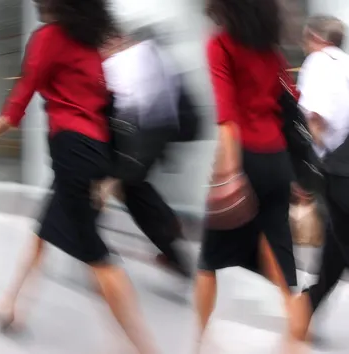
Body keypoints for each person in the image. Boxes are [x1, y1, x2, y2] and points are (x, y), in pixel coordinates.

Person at [0, 0, 156, 352]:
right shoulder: (89, 44)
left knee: (96, 257)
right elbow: (107, 102)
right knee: (43, 231)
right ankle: (9, 306)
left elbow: (18, 104)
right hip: (92, 156)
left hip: (73, 156)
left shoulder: (49, 38)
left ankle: (143, 347)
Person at [195, 0, 298, 348]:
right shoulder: (271, 51)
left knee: (209, 261)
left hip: (245, 159)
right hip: (277, 160)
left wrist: (227, 172)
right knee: (280, 251)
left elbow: (227, 117)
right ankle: (297, 337)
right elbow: (294, 100)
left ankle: (198, 341)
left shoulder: (219, 44)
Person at [98, 27, 192, 279]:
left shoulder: (121, 62)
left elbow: (127, 111)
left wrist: (126, 161)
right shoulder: (151, 54)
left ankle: (168, 230)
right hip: (156, 134)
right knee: (133, 187)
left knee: (126, 187)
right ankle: (170, 238)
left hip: (138, 137)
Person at [289, 15, 349, 342]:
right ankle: (308, 304)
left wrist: (311, 170)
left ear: (313, 37)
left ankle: (307, 305)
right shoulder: (346, 63)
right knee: (336, 245)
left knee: (341, 241)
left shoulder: (318, 61)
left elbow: (314, 117)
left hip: (340, 169)